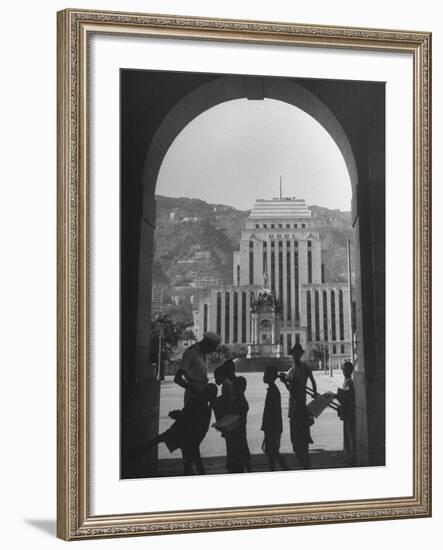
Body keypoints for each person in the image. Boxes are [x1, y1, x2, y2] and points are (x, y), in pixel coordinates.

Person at [146, 383, 218, 475]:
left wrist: (175, 414)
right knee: (193, 460)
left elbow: (186, 416)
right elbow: (200, 427)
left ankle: (140, 451)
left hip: (182, 434)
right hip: (192, 438)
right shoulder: (207, 409)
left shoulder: (196, 401)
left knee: (159, 439)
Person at [280, 343, 317, 469]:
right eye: (294, 353)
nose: (295, 355)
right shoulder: (290, 371)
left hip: (301, 402)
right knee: (295, 439)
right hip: (293, 404)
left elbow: (312, 381)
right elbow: (290, 389)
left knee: (303, 436)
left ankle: (306, 462)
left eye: (298, 353)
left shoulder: (305, 368)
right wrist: (285, 382)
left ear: (300, 355)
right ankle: (302, 456)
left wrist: (315, 393)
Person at [174, 332, 221, 404]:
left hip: (204, 394)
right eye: (211, 349)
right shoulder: (191, 352)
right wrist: (191, 389)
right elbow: (177, 378)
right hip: (193, 397)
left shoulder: (203, 353)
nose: (211, 352)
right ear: (207, 345)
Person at [261, 366, 288, 471]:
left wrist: (267, 428)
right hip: (272, 426)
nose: (263, 376)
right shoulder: (273, 390)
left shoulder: (273, 391)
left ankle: (283, 469)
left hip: (272, 427)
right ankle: (276, 469)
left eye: (265, 374)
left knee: (273, 451)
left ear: (270, 377)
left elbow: (271, 412)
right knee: (272, 451)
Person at [225, 376, 251, 473]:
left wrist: (226, 427)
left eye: (235, 387)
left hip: (237, 434)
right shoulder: (241, 402)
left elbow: (236, 421)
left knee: (238, 462)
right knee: (244, 459)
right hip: (239, 434)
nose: (233, 389)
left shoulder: (239, 403)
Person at [334, 361, 356, 465]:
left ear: (351, 371)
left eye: (346, 369)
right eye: (343, 369)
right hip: (348, 411)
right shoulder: (347, 381)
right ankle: (350, 455)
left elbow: (347, 396)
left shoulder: (349, 382)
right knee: (348, 434)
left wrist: (337, 396)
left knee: (349, 434)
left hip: (349, 412)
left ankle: (351, 456)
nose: (344, 371)